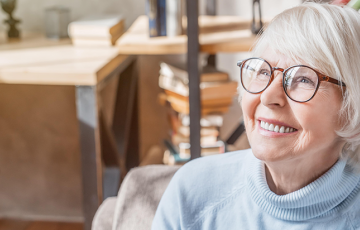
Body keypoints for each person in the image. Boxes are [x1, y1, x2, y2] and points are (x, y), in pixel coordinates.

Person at [152, 2, 360, 229]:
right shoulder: (192, 191)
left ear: (352, 112)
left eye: (304, 79)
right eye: (263, 71)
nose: (268, 96)